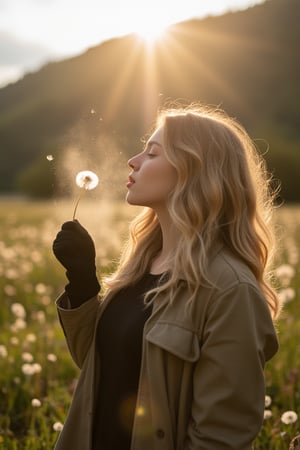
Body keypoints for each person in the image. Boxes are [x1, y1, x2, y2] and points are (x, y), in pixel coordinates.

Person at [52, 103, 280, 450]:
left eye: (152, 153)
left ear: (194, 171)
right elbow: (104, 368)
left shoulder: (230, 289)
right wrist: (83, 282)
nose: (133, 160)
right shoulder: (143, 264)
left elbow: (220, 437)